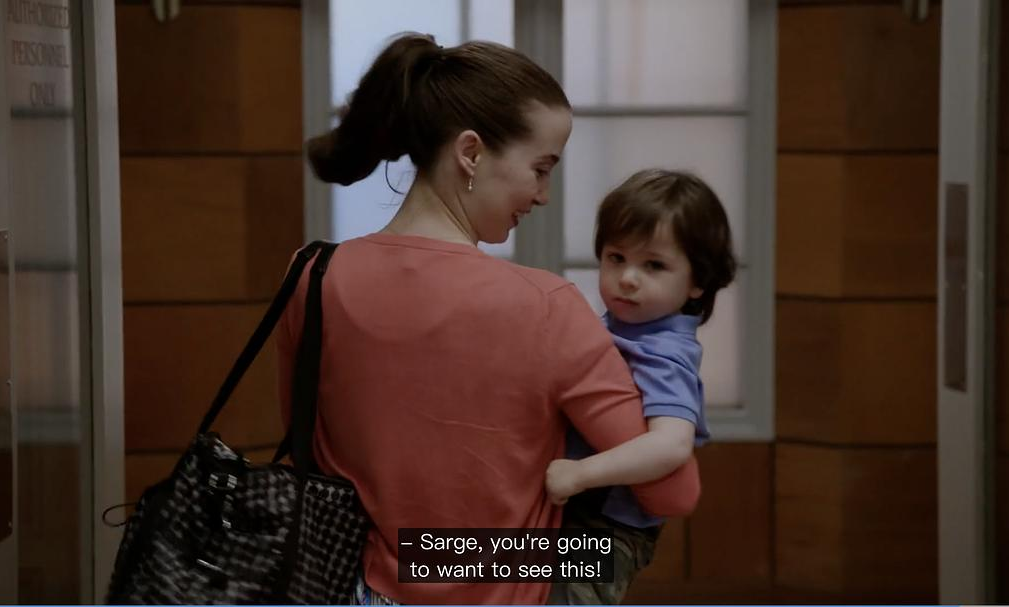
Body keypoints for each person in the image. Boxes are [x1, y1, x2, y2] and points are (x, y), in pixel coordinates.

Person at [275, 34, 701, 605]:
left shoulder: (312, 276)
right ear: (471, 153)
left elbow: (306, 447)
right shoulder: (546, 305)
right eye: (540, 168)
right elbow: (673, 492)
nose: (544, 195)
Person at [545, 169, 737, 605]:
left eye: (653, 265)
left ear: (697, 281)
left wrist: (581, 474)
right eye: (616, 257)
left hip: (609, 523)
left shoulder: (665, 353)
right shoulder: (619, 328)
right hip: (572, 505)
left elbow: (671, 445)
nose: (628, 277)